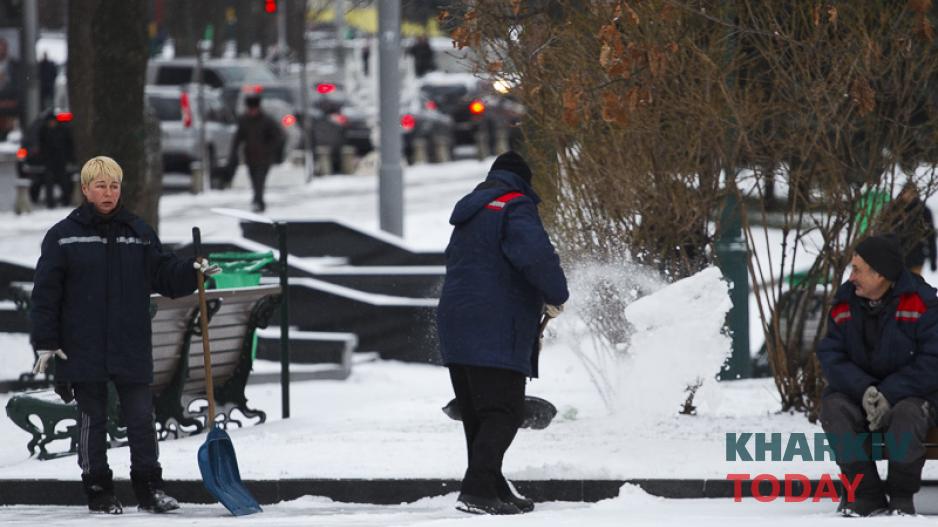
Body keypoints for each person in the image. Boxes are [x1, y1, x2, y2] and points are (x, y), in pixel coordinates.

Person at [29, 156, 218, 514]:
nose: (108, 192)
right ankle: (98, 488)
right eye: (100, 185)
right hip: (81, 347)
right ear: (85, 189)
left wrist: (191, 272)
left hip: (129, 342)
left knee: (141, 420)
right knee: (92, 422)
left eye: (114, 186)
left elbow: (162, 273)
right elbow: (46, 294)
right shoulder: (63, 236)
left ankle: (149, 488)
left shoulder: (138, 233)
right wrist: (46, 342)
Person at [436, 151, 569, 515]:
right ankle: (477, 491)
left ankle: (491, 486)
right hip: (494, 324)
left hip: (456, 321)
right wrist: (556, 295)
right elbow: (536, 256)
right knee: (504, 411)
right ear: (523, 180)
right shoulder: (515, 206)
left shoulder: (470, 211)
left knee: (479, 413)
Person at [816, 234, 938, 517]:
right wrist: (866, 390)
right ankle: (866, 497)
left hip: (914, 395)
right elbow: (831, 355)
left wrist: (889, 394)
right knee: (835, 409)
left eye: (858, 269)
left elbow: (933, 362)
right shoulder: (844, 302)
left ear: (880, 273)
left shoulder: (923, 303)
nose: (852, 275)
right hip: (860, 394)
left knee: (907, 416)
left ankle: (900, 499)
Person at [227, 94, 285, 212]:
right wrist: (234, 153)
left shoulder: (267, 120)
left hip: (265, 157)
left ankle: (257, 201)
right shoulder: (244, 120)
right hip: (250, 156)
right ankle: (258, 200)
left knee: (260, 179)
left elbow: (278, 136)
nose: (252, 111)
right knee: (254, 179)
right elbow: (238, 138)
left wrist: (269, 149)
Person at [888, 182, 936, 276]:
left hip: (916, 257)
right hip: (896, 257)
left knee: (914, 285)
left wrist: (932, 259)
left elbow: (930, 236)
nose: (909, 196)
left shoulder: (924, 211)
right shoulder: (895, 209)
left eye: (912, 193)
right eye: (907, 193)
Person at [36, 110, 75, 208]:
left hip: (61, 161)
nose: (51, 123)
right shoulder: (44, 131)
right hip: (49, 161)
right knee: (49, 184)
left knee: (64, 183)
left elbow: (69, 145)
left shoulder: (62, 130)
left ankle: (65, 200)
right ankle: (51, 203)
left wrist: (69, 157)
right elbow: (42, 145)